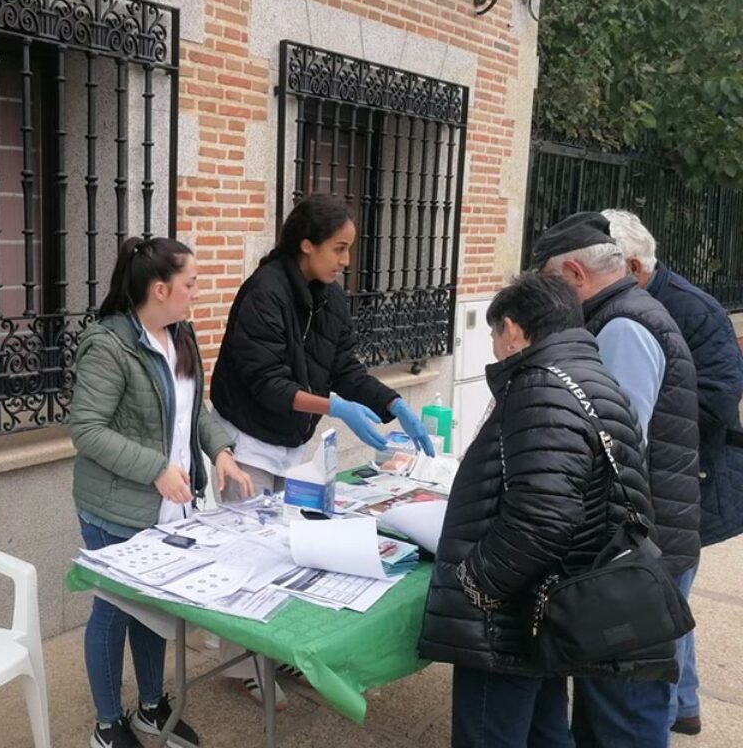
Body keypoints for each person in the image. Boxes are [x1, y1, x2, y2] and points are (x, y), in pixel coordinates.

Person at [210, 193, 435, 706]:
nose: (346, 260)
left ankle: (275, 648)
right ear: (305, 245)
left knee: (287, 544)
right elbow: (266, 381)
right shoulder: (264, 293)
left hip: (292, 437)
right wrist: (334, 407)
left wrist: (392, 403)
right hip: (246, 433)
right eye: (339, 248)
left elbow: (346, 369)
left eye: (349, 249)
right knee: (249, 549)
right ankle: (245, 663)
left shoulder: (330, 296)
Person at [418, 272, 660, 747]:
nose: (493, 349)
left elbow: (544, 518)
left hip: (512, 614)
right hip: (552, 602)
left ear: (512, 328)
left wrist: (476, 583)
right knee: (546, 730)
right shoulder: (593, 378)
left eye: (492, 335)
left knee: (492, 733)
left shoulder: (540, 385)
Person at [69, 236, 253, 748]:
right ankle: (107, 725)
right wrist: (155, 468)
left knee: (154, 604)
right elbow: (87, 430)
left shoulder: (180, 335)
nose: (196, 292)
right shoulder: (109, 345)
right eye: (190, 284)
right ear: (159, 288)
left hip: (169, 506)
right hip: (114, 506)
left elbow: (195, 413)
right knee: (112, 610)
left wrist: (220, 451)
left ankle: (151, 707)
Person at [531, 211, 700, 747]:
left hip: (631, 555)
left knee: (622, 710)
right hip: (640, 541)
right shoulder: (625, 312)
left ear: (577, 275)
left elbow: (610, 445)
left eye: (553, 286)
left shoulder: (623, 325)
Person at [604, 208, 743, 736]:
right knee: (669, 597)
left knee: (662, 598)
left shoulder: (688, 309)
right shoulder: (634, 301)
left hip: (690, 477)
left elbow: (719, 397)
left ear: (636, 265)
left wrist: (651, 421)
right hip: (671, 475)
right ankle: (684, 705)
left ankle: (664, 715)